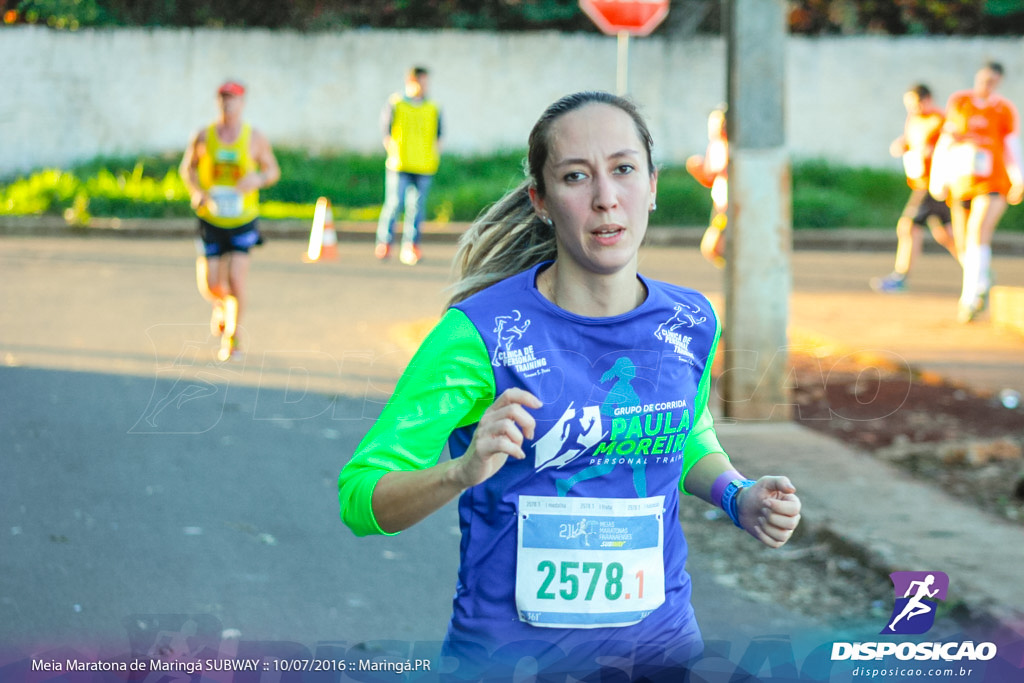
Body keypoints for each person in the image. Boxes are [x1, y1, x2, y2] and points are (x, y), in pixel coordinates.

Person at [338, 91, 802, 680]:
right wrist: (460, 471)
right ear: (542, 200)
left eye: (624, 169)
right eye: (576, 177)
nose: (606, 198)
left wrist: (739, 495)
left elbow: (683, 432)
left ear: (653, 186)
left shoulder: (690, 321)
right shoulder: (479, 335)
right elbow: (359, 499)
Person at [180, 80, 280, 361]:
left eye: (233, 98)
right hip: (211, 219)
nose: (228, 103)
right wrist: (197, 192)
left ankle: (232, 339)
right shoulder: (203, 136)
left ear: (242, 103)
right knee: (211, 285)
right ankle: (221, 306)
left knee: (236, 280)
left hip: (242, 220)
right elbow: (187, 169)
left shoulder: (254, 137)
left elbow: (273, 171)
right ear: (217, 102)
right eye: (223, 98)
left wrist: (258, 178)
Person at [930, 62, 1023, 323]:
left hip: (992, 183)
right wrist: (939, 178)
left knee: (978, 233)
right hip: (962, 182)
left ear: (999, 83)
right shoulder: (960, 103)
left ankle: (969, 299)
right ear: (977, 78)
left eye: (993, 81)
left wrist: (1019, 179)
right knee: (962, 243)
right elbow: (946, 140)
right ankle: (982, 281)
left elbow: (1011, 145)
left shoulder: (1003, 109)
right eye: (984, 79)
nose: (987, 85)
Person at [870, 84, 958, 294]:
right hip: (920, 182)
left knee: (908, 227)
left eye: (915, 104)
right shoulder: (914, 120)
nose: (912, 109)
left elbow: (949, 147)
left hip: (933, 184)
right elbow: (913, 142)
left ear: (927, 100)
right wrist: (903, 145)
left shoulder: (940, 120)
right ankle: (978, 270)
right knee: (944, 234)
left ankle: (901, 277)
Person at [374, 66, 443, 266]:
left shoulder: (433, 107)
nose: (424, 86)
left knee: (417, 208)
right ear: (411, 81)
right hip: (400, 163)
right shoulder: (396, 103)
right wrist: (393, 151)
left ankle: (411, 246)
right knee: (394, 204)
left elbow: (439, 135)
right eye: (421, 81)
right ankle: (384, 243)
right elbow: (386, 131)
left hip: (424, 165)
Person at [685, 107, 729, 268]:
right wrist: (698, 170)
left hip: (729, 205)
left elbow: (717, 172)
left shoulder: (728, 147)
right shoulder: (716, 146)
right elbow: (710, 179)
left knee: (713, 248)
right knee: (714, 249)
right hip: (720, 203)